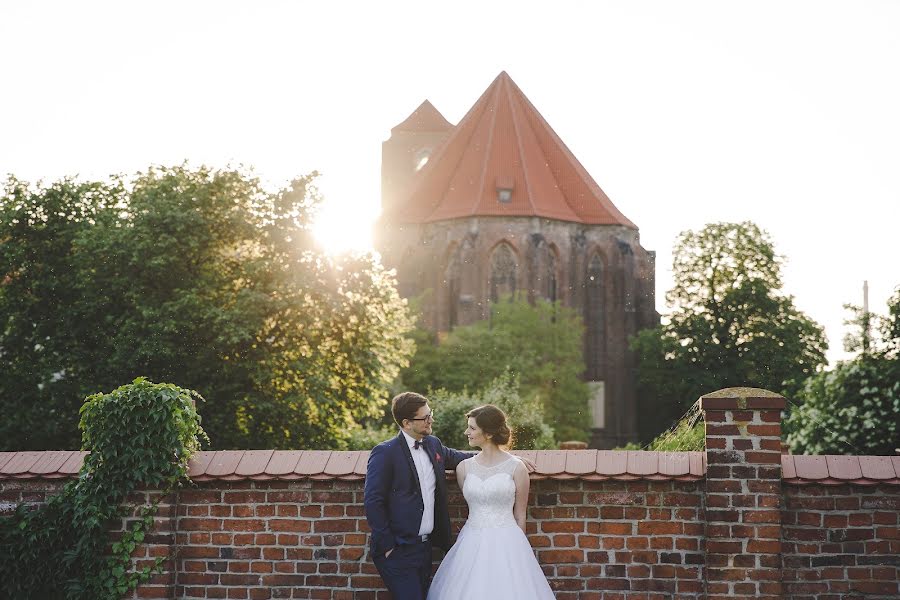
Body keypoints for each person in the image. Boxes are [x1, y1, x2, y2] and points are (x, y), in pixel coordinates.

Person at [364, 392, 535, 599]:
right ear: (407, 423)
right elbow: (373, 501)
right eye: (425, 417)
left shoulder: (432, 444)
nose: (431, 419)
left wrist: (510, 459)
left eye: (430, 414)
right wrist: (388, 546)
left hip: (425, 549)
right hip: (399, 549)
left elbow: (463, 457)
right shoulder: (385, 452)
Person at [426, 404, 555, 599]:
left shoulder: (516, 468)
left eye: (472, 428)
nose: (466, 432)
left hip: (508, 541)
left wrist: (519, 551)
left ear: (487, 434)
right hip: (471, 542)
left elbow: (520, 514)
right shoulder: (463, 468)